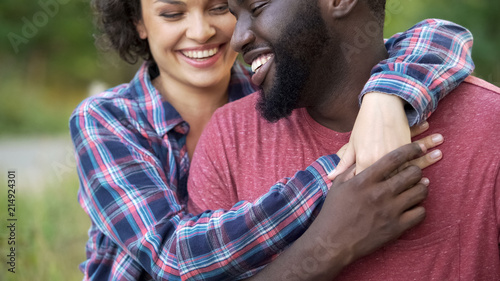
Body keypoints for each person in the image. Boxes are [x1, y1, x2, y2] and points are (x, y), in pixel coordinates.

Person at [70, 0, 474, 280]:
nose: (201, 31)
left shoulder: (272, 85)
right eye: (173, 13)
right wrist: (338, 173)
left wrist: (387, 95)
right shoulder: (106, 120)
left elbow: (440, 36)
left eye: (218, 9)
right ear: (139, 23)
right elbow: (172, 258)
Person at [188, 0, 500, 280]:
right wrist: (329, 246)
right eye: (234, 15)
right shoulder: (229, 138)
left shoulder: (489, 127)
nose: (237, 38)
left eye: (256, 8)